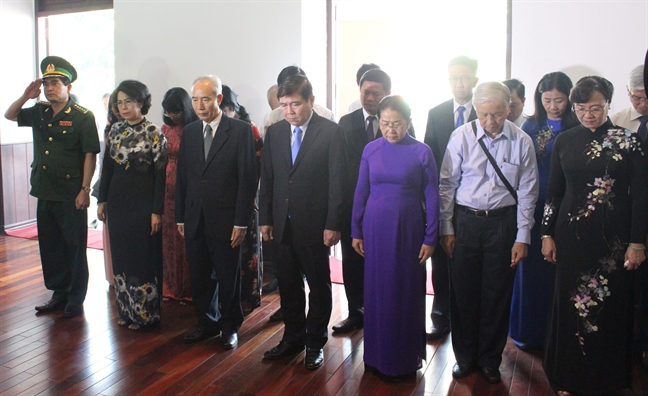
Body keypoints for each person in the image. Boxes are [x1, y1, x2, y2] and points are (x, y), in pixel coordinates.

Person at [541, 76, 648, 395]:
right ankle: (566, 378)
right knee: (570, 307)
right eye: (582, 108)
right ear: (574, 108)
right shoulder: (564, 140)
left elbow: (642, 195)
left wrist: (638, 242)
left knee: (610, 309)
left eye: (597, 107)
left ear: (609, 105)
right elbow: (554, 192)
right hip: (570, 238)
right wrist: (546, 233)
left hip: (612, 243)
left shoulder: (629, 140)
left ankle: (607, 380)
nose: (589, 114)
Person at [439, 82, 539, 383]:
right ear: (476, 110)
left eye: (496, 114)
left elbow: (528, 192)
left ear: (509, 108)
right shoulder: (461, 137)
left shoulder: (521, 141)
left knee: (497, 293)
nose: (490, 122)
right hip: (466, 222)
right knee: (463, 292)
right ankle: (465, 357)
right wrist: (447, 227)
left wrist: (523, 236)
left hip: (502, 223)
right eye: (483, 114)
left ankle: (490, 359)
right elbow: (447, 186)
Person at [260, 74, 346, 370]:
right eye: (283, 105)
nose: (289, 111)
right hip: (282, 224)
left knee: (319, 288)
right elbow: (268, 179)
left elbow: (338, 182)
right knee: (288, 285)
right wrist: (266, 219)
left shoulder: (331, 132)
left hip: (315, 224)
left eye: (295, 104)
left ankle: (314, 343)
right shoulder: (275, 132)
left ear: (311, 100)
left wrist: (333, 223)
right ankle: (292, 338)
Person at [4, 56, 100, 318]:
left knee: (75, 246)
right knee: (51, 245)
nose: (49, 88)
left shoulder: (82, 117)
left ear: (68, 86)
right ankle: (58, 292)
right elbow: (9, 114)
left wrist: (85, 189)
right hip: (45, 189)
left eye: (55, 83)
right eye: (46, 84)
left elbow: (90, 154)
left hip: (71, 193)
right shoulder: (40, 111)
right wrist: (26, 96)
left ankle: (76, 297)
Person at [351, 95, 438, 379]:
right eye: (385, 124)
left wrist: (431, 236)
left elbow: (433, 195)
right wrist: (356, 229)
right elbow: (361, 191)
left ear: (409, 122)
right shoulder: (370, 149)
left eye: (397, 124)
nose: (390, 130)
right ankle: (376, 355)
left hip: (408, 227)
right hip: (375, 228)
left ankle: (402, 358)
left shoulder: (421, 151)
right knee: (377, 290)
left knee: (405, 289)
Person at [175, 75, 257, 350]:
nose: (199, 105)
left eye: (206, 99)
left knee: (227, 276)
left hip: (226, 219)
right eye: (195, 100)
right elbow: (183, 179)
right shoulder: (189, 132)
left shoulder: (240, 130)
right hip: (195, 217)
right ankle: (206, 322)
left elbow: (247, 180)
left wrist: (241, 222)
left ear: (219, 99)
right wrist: (181, 216)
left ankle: (230, 325)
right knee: (199, 276)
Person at [508, 72, 579, 350]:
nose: (553, 106)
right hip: (534, 205)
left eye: (559, 100)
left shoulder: (576, 124)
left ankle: (557, 332)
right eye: (547, 100)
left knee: (559, 269)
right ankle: (527, 331)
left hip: (565, 205)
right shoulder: (531, 126)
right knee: (530, 270)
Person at [97, 80, 168, 330]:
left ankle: (146, 315)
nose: (123, 107)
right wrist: (102, 199)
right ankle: (126, 311)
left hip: (143, 205)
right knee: (122, 258)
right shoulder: (114, 130)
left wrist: (155, 211)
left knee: (142, 259)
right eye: (119, 102)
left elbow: (161, 176)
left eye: (129, 101)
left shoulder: (154, 132)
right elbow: (107, 167)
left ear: (140, 102)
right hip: (117, 203)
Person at [423, 55, 479, 341]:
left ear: (475, 80)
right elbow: (429, 159)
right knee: (442, 263)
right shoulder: (437, 112)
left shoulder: (484, 112)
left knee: (469, 264)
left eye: (464, 77)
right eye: (454, 78)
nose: (459, 83)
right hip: (443, 199)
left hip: (476, 203)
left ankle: (467, 319)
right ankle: (440, 315)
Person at [334, 68, 391, 334]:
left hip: (385, 206)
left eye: (375, 93)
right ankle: (356, 312)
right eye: (365, 91)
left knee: (382, 261)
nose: (369, 97)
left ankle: (382, 311)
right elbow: (339, 168)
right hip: (352, 204)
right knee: (353, 261)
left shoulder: (395, 121)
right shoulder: (345, 122)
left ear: (386, 94)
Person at [611, 65, 648, 369]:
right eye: (637, 98)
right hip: (622, 214)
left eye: (647, 98)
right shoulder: (618, 121)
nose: (642, 105)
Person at [219, 84, 264, 315]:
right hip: (223, 198)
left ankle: (249, 295)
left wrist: (252, 194)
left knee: (247, 248)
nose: (223, 115)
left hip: (246, 197)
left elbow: (257, 164)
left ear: (233, 108)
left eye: (226, 110)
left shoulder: (249, 128)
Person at [161, 87, 198, 303]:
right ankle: (170, 287)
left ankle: (189, 288)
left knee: (186, 238)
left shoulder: (194, 129)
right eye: (168, 112)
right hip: (166, 189)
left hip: (187, 186)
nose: (173, 116)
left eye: (176, 111)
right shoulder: (164, 130)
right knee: (168, 239)